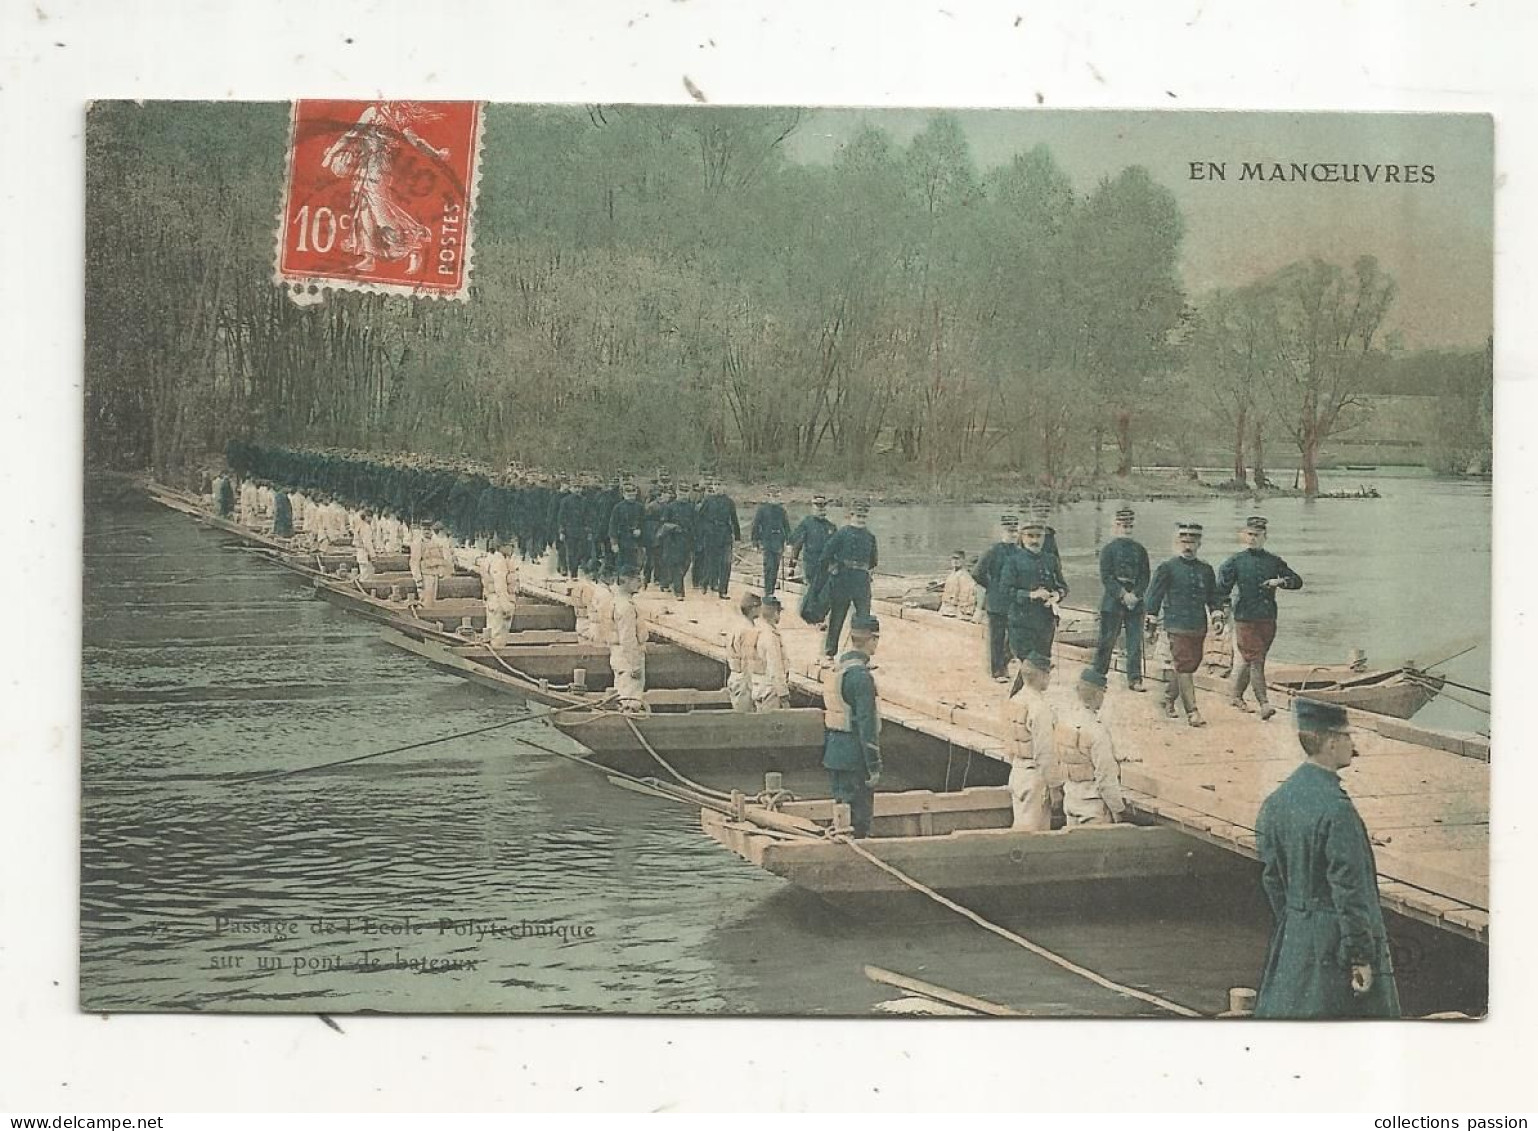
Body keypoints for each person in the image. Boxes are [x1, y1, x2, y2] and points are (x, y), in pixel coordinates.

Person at [1254, 699, 1402, 1018]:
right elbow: (1351, 892)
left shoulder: (1275, 802)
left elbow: (1271, 878)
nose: (1353, 745)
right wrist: (1360, 956)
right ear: (1332, 743)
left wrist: (1297, 919)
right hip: (1335, 947)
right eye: (1348, 737)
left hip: (1294, 937)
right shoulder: (1338, 811)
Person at [1218, 516, 1304, 720]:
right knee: (1255, 660)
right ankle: (1264, 704)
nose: (1252, 539)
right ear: (1244, 536)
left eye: (1257, 535)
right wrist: (1222, 611)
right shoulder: (1234, 562)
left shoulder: (1274, 561)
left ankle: (1235, 696)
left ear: (1265, 536)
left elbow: (1297, 582)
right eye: (1249, 535)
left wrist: (1279, 581)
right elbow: (1221, 591)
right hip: (1244, 618)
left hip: (1267, 618)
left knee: (1253, 660)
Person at [1145, 522, 1225, 727]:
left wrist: (1217, 617)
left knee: (1188, 665)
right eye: (1184, 541)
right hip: (1176, 625)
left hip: (1198, 626)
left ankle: (1169, 699)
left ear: (1199, 543)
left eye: (1192, 542)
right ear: (1177, 543)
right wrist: (1151, 622)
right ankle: (1192, 712)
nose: (1187, 546)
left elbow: (1213, 597)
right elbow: (1154, 597)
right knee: (1184, 667)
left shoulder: (1206, 569)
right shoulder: (1167, 568)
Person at [822, 613, 883, 838]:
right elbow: (866, 724)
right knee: (859, 818)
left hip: (835, 753)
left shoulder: (838, 670)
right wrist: (874, 765)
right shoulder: (861, 677)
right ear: (872, 640)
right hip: (855, 756)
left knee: (842, 808)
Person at [1051, 669, 1128, 826]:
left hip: (1071, 799)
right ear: (1098, 695)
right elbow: (1105, 778)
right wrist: (1118, 809)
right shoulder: (1097, 732)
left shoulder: (1064, 723)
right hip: (1092, 807)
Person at [1093, 506, 1151, 691]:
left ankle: (1135, 679)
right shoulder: (1108, 550)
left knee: (1134, 643)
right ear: (1115, 526)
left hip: (1136, 602)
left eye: (1129, 525)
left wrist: (1136, 595)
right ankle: (1098, 676)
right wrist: (1122, 595)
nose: (1125, 528)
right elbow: (1106, 577)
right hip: (1113, 602)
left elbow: (1145, 576)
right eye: (1121, 525)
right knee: (1106, 641)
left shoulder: (1140, 550)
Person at [1000, 514, 1061, 671]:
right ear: (1022, 537)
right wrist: (1030, 595)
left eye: (1038, 536)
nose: (1035, 540)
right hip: (1022, 622)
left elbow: (1063, 586)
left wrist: (1057, 595)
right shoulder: (1012, 560)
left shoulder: (1051, 560)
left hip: (1046, 622)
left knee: (1041, 666)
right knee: (1031, 663)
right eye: (1030, 536)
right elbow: (1005, 590)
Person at [1003, 652, 1056, 830]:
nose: (1049, 677)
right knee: (1034, 838)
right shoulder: (1039, 708)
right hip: (1034, 778)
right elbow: (1044, 752)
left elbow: (1009, 743)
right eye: (1047, 673)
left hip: (1017, 772)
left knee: (1020, 827)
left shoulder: (1014, 701)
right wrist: (1054, 785)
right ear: (1040, 675)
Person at [819, 502, 878, 659]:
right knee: (837, 617)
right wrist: (834, 568)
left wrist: (867, 573)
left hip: (861, 581)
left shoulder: (870, 537)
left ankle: (861, 654)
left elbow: (873, 561)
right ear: (851, 516)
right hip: (843, 579)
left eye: (864, 516)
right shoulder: (842, 534)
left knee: (863, 619)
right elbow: (826, 554)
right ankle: (829, 654)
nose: (861, 519)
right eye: (858, 516)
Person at [972, 514, 1021, 681]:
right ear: (1002, 531)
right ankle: (998, 671)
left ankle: (1005, 661)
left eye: (1015, 531)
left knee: (1016, 636)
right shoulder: (993, 551)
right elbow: (977, 573)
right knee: (997, 638)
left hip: (1015, 601)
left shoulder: (1020, 551)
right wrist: (992, 587)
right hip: (996, 601)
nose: (1013, 534)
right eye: (1010, 531)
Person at [789, 494, 837, 625]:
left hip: (826, 565)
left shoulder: (831, 527)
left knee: (824, 593)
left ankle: (819, 618)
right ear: (812, 507)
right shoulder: (806, 523)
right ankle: (808, 616)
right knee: (812, 591)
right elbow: (797, 544)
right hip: (811, 563)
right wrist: (792, 565)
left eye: (823, 506)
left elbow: (836, 548)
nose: (821, 509)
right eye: (818, 506)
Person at [606, 569, 649, 712]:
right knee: (630, 700)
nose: (640, 583)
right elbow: (628, 639)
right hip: (628, 658)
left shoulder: (618, 601)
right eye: (636, 579)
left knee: (622, 694)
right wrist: (635, 664)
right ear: (625, 581)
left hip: (619, 655)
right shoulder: (625, 607)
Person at [750, 486, 791, 597]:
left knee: (775, 568)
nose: (775, 499)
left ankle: (771, 591)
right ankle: (768, 592)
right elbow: (755, 526)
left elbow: (786, 526)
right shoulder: (762, 510)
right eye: (772, 496)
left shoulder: (782, 511)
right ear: (768, 497)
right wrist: (755, 542)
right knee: (768, 567)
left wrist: (788, 542)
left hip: (778, 542)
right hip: (767, 541)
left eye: (776, 496)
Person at [753, 594, 792, 710]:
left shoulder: (757, 630)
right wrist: (784, 695)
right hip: (770, 690)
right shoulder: (770, 636)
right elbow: (775, 667)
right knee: (772, 724)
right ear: (775, 613)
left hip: (758, 686)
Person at [726, 592, 763, 713]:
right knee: (745, 718)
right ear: (753, 609)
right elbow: (749, 658)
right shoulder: (748, 630)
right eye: (759, 607)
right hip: (744, 678)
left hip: (734, 674)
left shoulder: (736, 625)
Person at [479, 540, 520, 648]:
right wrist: (506, 606)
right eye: (510, 546)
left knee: (492, 633)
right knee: (499, 637)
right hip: (499, 602)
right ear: (502, 547)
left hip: (493, 600)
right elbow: (500, 585)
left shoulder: (491, 559)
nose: (512, 549)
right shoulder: (499, 561)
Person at [938, 550, 978, 620]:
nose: (955, 561)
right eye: (953, 559)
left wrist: (962, 612)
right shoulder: (951, 574)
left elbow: (965, 597)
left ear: (963, 560)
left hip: (956, 610)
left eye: (958, 559)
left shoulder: (965, 576)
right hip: (946, 607)